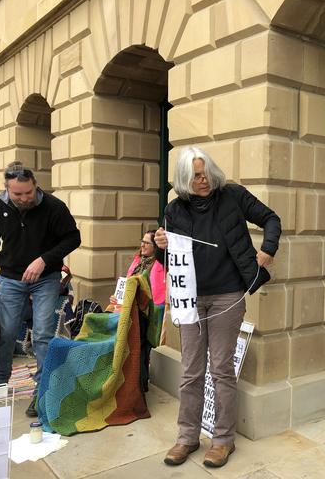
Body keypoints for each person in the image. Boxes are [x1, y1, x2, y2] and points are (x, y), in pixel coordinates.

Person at [154, 146, 281, 468]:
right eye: (196, 175)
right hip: (190, 298)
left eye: (206, 172)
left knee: (222, 369)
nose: (204, 179)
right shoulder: (174, 210)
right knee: (191, 371)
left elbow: (270, 218)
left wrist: (267, 251)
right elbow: (171, 261)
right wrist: (160, 247)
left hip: (228, 295)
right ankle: (187, 437)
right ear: (184, 179)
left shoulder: (233, 195)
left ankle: (223, 440)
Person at [0, 161, 81, 417]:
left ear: (35, 185)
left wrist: (44, 259)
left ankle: (42, 392)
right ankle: (0, 384)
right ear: (7, 189)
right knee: (5, 332)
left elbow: (73, 238)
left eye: (28, 192)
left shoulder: (54, 207)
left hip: (46, 277)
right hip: (11, 278)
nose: (24, 198)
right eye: (17, 194)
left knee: (43, 334)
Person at [109, 229, 165, 311]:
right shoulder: (137, 261)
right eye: (142, 241)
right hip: (127, 305)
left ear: (155, 246)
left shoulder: (160, 265)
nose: (142, 245)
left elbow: (156, 295)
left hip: (143, 309)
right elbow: (127, 285)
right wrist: (115, 297)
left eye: (147, 243)